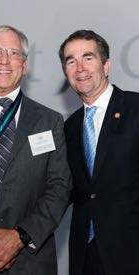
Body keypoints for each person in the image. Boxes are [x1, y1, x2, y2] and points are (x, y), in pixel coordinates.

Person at [0, 25, 72, 275]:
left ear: (25, 64)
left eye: (13, 53)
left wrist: (19, 237)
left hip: (30, 263)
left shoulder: (50, 121)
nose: (4, 60)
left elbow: (60, 187)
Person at [59, 29, 139, 275]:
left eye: (88, 57)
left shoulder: (135, 108)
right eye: (71, 61)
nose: (79, 67)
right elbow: (65, 189)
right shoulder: (68, 127)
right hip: (86, 255)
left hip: (131, 252)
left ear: (106, 66)